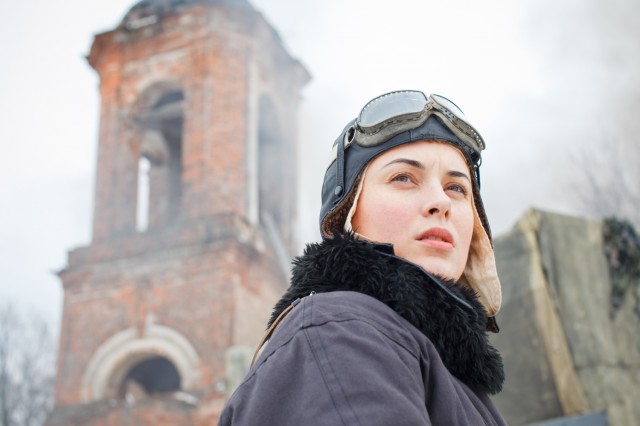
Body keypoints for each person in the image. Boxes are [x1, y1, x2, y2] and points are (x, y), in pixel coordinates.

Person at [219, 90, 506, 425]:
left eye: (456, 188)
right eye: (403, 178)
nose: (440, 202)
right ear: (347, 215)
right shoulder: (337, 331)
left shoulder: (454, 375)